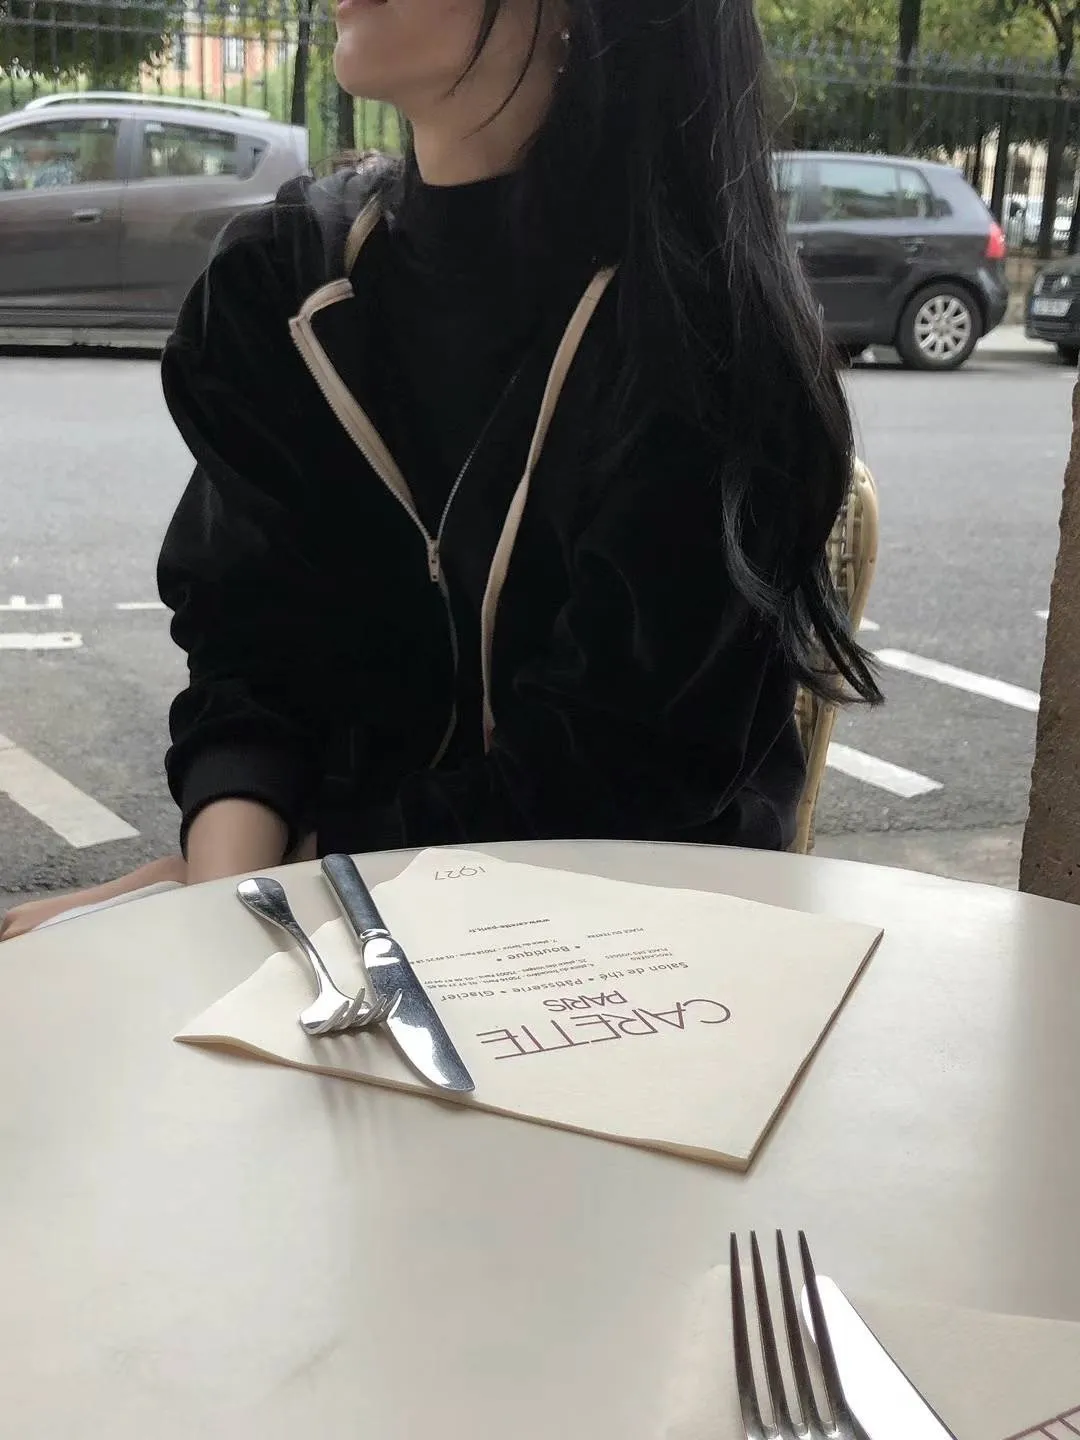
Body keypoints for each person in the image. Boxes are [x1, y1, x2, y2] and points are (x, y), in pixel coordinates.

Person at [0, 0, 880, 942]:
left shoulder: (703, 344)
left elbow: (619, 777)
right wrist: (227, 899)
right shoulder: (280, 291)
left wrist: (287, 893)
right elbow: (249, 655)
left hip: (630, 947)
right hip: (320, 906)